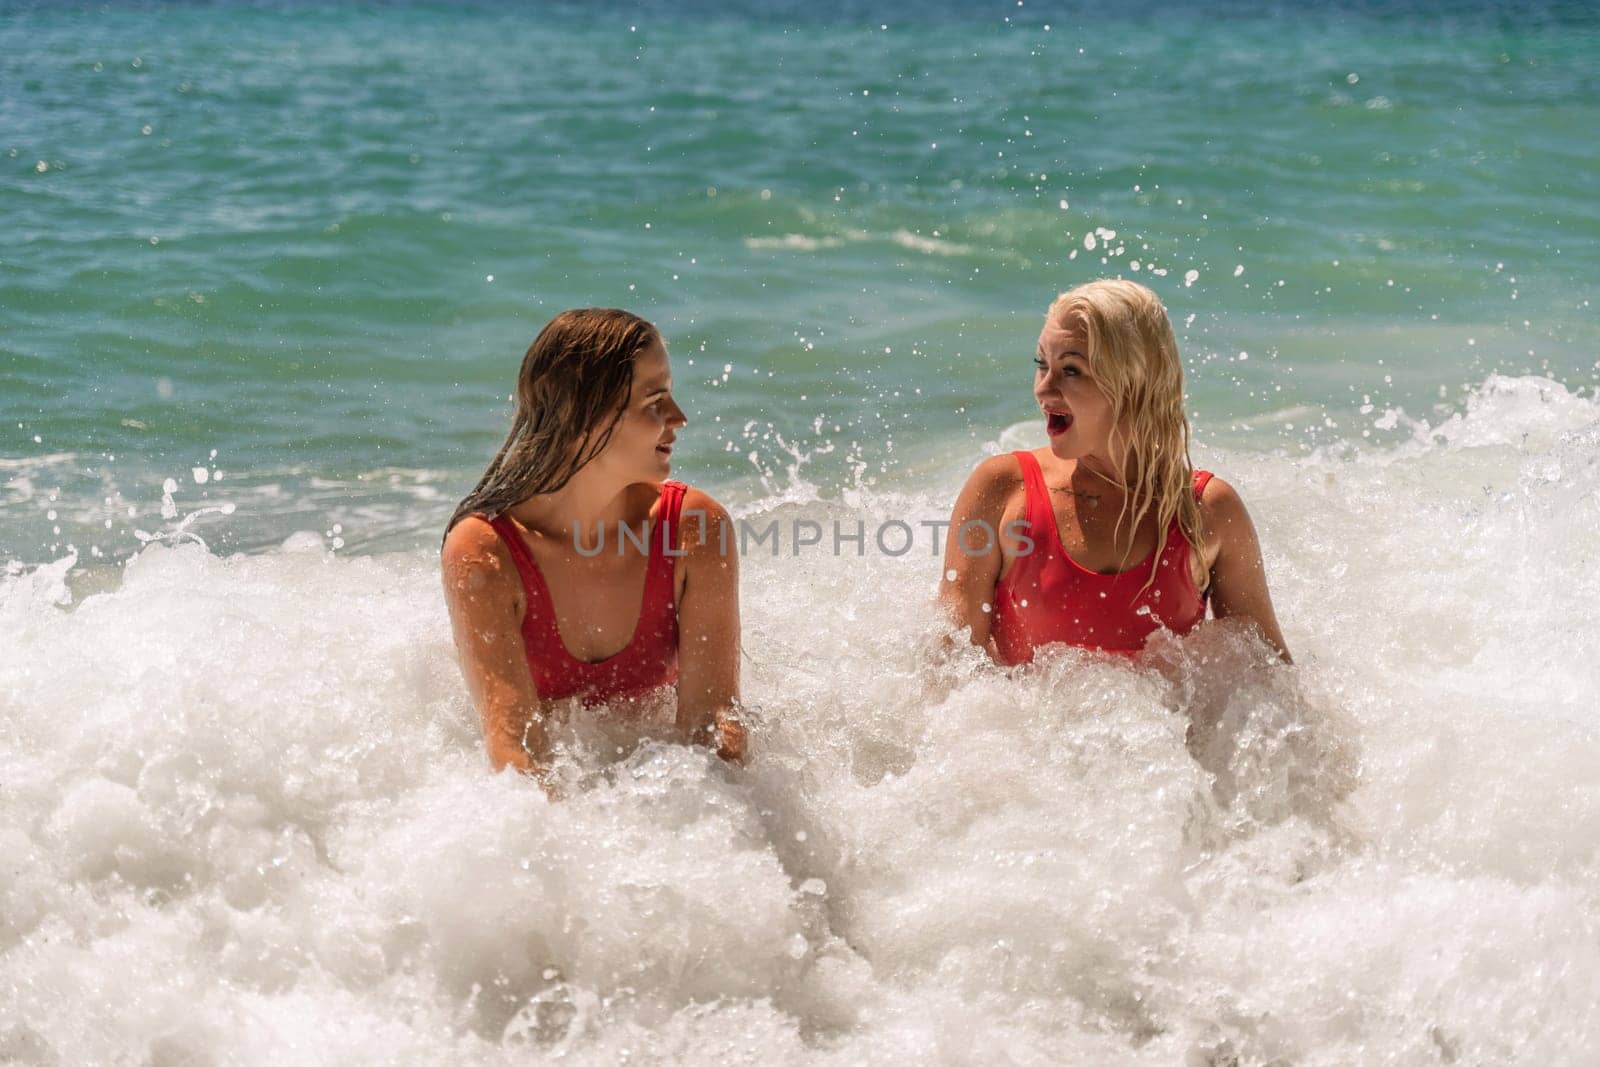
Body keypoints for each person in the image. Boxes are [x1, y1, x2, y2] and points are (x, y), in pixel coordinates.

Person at [441, 308, 745, 783]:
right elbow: (515, 751)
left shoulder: (693, 529)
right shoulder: (487, 552)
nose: (679, 418)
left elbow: (714, 728)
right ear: (584, 414)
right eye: (655, 400)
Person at [939, 279, 1291, 663]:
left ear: (1134, 381)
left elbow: (1268, 678)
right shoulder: (1006, 491)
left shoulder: (1206, 512)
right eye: (1042, 364)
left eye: (1071, 370)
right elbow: (947, 675)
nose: (1044, 389)